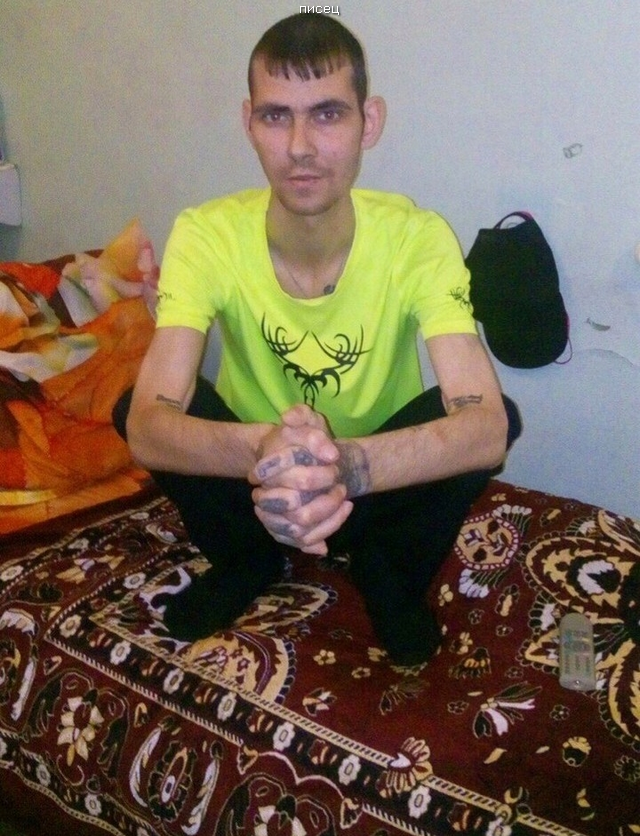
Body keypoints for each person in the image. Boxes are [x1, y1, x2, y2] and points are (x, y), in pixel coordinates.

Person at [114, 11, 521, 665]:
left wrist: (345, 467)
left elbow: (489, 430)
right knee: (134, 404)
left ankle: (386, 571)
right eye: (277, 116)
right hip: (254, 488)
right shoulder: (206, 234)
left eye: (327, 114)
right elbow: (144, 427)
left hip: (372, 492)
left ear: (369, 121)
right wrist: (264, 450)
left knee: (491, 417)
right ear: (249, 122)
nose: (300, 146)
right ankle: (246, 560)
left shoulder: (418, 238)